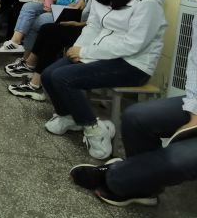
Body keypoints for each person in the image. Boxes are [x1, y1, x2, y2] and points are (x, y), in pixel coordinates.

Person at [41, 0, 166, 160]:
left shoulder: (147, 3)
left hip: (132, 64)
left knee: (63, 77)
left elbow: (133, 45)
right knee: (48, 74)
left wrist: (86, 52)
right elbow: (93, 27)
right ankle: (69, 115)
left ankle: (95, 129)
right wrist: (78, 50)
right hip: (99, 55)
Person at [69, 15, 197, 207]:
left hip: (131, 64)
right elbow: (195, 65)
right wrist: (194, 112)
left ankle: (118, 177)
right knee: (136, 116)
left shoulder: (147, 4)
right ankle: (143, 186)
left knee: (180, 157)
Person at [6, 0, 109, 100]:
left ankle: (32, 73)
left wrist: (81, 21)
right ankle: (30, 70)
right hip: (82, 19)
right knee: (44, 26)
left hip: (91, 27)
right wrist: (80, 2)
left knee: (46, 27)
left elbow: (105, 20)